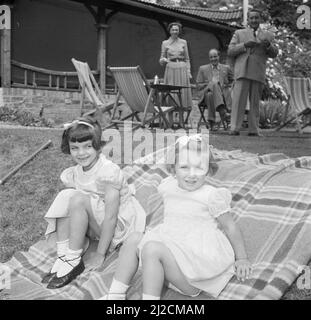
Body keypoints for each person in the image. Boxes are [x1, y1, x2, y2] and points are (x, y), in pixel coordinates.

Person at [100, 134, 252, 300]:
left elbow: (230, 226)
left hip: (193, 272)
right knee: (133, 239)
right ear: (173, 168)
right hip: (171, 253)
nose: (192, 174)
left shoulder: (211, 196)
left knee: (151, 249)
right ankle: (115, 295)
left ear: (208, 168)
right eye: (184, 167)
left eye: (199, 167)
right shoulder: (168, 186)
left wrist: (242, 258)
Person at [42, 116, 146, 289]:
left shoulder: (108, 172)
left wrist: (100, 253)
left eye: (87, 146)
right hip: (97, 222)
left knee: (76, 199)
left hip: (118, 228)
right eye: (75, 148)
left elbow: (111, 216)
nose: (81, 153)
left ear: (98, 146)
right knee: (66, 195)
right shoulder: (75, 172)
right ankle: (63, 255)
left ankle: (74, 259)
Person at [228, 8, 278, 137]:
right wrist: (244, 45)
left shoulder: (268, 35)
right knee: (238, 102)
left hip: (258, 71)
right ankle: (234, 128)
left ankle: (254, 130)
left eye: (257, 17)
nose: (254, 20)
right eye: (252, 18)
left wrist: (268, 46)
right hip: (242, 71)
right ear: (248, 20)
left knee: (255, 102)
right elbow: (230, 51)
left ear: (260, 19)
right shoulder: (239, 33)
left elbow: (274, 54)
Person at [159, 22, 193, 124]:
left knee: (181, 94)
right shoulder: (165, 43)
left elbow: (187, 59)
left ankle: (182, 121)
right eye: (173, 30)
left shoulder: (184, 42)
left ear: (179, 31)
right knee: (170, 94)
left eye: (176, 30)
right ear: (169, 31)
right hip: (170, 69)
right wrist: (163, 60)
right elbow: (161, 59)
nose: (175, 32)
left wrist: (188, 71)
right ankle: (170, 121)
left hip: (182, 69)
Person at [196, 49, 233, 130]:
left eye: (215, 56)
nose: (213, 59)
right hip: (205, 95)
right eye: (211, 57)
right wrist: (209, 84)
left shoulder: (226, 68)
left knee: (210, 95)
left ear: (218, 56)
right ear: (209, 58)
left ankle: (212, 122)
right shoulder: (202, 68)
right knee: (213, 85)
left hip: (222, 96)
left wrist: (228, 85)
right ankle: (223, 112)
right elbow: (198, 86)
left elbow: (233, 80)